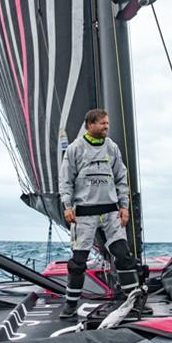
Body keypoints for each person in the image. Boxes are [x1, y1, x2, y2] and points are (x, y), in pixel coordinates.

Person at [58, 108, 141, 319]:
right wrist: (67, 205)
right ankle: (70, 305)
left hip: (110, 212)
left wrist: (124, 207)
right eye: (102, 123)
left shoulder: (111, 148)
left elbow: (121, 178)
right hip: (85, 214)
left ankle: (133, 301)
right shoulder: (75, 149)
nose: (106, 126)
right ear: (90, 125)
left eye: (107, 123)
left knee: (123, 256)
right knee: (78, 261)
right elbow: (66, 180)